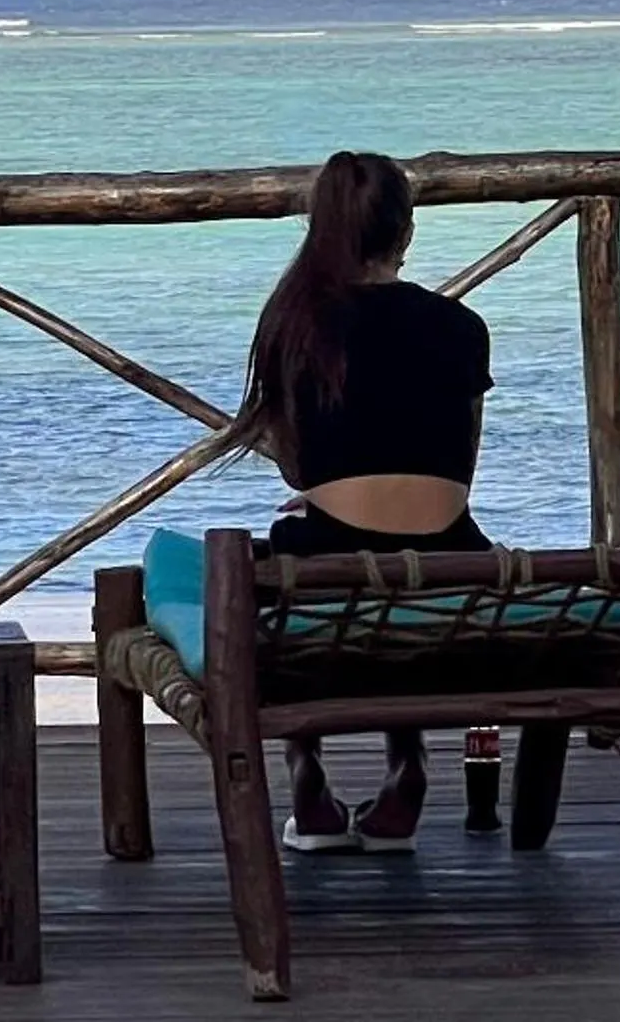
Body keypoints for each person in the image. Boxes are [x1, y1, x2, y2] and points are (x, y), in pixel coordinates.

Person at [229, 151, 491, 854]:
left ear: (324, 228)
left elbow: (298, 465)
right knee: (399, 574)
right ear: (405, 233)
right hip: (450, 558)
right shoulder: (463, 328)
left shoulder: (296, 322)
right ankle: (408, 768)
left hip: (328, 563)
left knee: (276, 577)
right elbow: (461, 468)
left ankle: (307, 778)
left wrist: (321, 497)